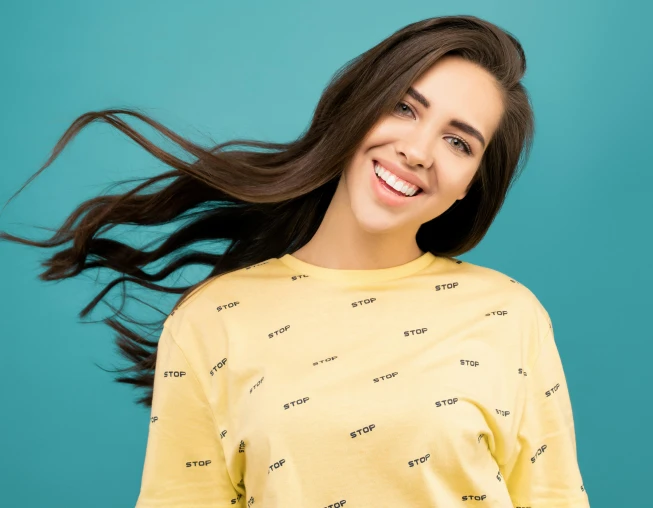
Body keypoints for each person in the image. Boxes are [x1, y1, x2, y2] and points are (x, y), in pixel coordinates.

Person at [0, 15, 590, 508]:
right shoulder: (213, 318)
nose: (416, 151)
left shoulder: (509, 316)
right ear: (357, 109)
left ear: (470, 185)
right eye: (405, 109)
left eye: (459, 142)